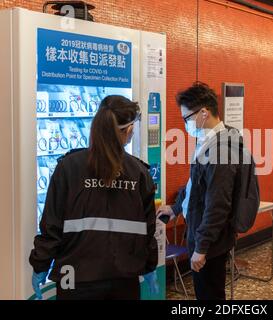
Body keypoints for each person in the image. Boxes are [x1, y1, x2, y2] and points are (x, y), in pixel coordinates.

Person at [29, 95, 158, 300]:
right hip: (123, 276)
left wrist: (40, 264)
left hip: (73, 276)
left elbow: (51, 225)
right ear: (130, 129)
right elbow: (148, 228)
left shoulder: (68, 167)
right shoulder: (139, 172)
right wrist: (151, 265)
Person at [157, 82, 240, 300]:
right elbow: (196, 183)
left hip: (210, 241)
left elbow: (218, 204)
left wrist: (201, 247)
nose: (185, 124)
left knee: (210, 294)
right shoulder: (208, 141)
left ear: (203, 113)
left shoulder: (222, 149)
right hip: (203, 233)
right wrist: (176, 207)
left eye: (186, 118)